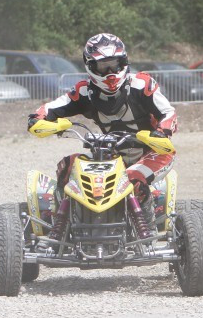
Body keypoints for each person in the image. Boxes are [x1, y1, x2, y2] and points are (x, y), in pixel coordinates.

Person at [28, 33, 177, 238]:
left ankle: (147, 232)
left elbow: (168, 112)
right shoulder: (85, 92)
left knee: (134, 180)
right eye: (103, 67)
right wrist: (37, 119)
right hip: (113, 154)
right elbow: (52, 108)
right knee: (68, 167)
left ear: (124, 62)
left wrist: (161, 132)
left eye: (115, 64)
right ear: (90, 66)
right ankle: (63, 225)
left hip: (155, 152)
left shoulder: (142, 85)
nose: (110, 72)